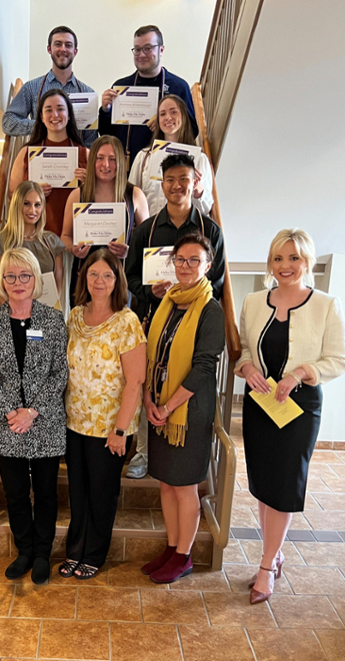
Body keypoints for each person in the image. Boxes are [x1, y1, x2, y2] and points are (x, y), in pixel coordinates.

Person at [235, 229, 345, 603]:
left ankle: (267, 567)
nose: (286, 266)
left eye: (294, 258)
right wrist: (247, 367)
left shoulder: (326, 305)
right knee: (265, 487)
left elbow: (338, 360)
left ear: (307, 261)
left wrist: (300, 373)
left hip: (299, 410)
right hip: (262, 406)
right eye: (279, 258)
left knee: (285, 486)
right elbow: (245, 350)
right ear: (270, 262)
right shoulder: (252, 302)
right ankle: (275, 553)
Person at [125, 153, 226, 479]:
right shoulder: (146, 231)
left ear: (195, 182)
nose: (177, 185)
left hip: (193, 325)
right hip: (154, 321)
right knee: (149, 384)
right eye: (170, 180)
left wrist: (189, 288)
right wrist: (151, 293)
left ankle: (181, 451)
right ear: (162, 184)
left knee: (182, 385)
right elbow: (129, 280)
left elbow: (219, 279)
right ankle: (143, 452)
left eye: (183, 179)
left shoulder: (210, 230)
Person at [0, 248, 68, 585]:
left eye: (25, 276)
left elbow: (60, 373)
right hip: (7, 425)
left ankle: (43, 553)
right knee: (15, 493)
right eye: (11, 276)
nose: (18, 282)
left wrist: (32, 412)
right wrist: (10, 412)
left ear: (35, 280)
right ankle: (24, 550)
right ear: (2, 281)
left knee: (45, 492)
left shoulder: (53, 320)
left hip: (44, 423)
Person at [141, 232, 225, 583]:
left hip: (188, 411)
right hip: (159, 405)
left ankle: (184, 555)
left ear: (207, 266)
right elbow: (149, 352)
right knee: (165, 484)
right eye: (180, 259)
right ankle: (171, 546)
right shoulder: (168, 301)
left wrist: (169, 404)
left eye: (194, 260)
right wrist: (149, 399)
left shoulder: (210, 309)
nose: (186, 266)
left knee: (185, 486)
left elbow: (205, 366)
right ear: (172, 263)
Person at [59, 249, 146, 580]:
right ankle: (75, 551)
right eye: (93, 274)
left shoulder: (126, 321)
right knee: (78, 493)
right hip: (74, 423)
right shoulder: (75, 317)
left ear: (117, 280)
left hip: (109, 427)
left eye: (107, 275)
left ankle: (93, 553)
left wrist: (120, 430)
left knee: (102, 493)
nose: (99, 281)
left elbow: (135, 381)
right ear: (84, 278)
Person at [61, 135, 149, 305]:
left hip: (121, 279)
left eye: (112, 159)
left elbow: (147, 242)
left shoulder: (134, 195)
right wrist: (73, 249)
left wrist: (129, 251)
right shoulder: (78, 195)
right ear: (93, 160)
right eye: (100, 158)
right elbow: (65, 236)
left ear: (121, 163)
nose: (105, 165)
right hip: (84, 279)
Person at [99, 25, 197, 172]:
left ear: (161, 49)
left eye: (147, 48)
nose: (142, 54)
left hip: (165, 170)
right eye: (137, 49)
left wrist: (167, 122)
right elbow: (107, 134)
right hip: (126, 169)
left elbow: (192, 131)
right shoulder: (120, 87)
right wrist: (105, 110)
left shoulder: (179, 87)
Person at [9, 88, 89, 237]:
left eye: (60, 109)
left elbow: (98, 198)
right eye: (48, 110)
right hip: (35, 238)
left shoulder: (85, 154)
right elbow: (12, 195)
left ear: (69, 115)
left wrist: (89, 184)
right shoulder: (26, 153)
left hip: (74, 239)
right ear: (41, 116)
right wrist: (32, 192)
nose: (55, 115)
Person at [2, 26, 97, 148]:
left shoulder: (87, 93)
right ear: (49, 49)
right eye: (58, 44)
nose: (63, 49)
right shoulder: (31, 88)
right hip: (40, 161)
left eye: (68, 45)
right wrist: (42, 124)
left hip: (76, 163)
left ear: (75, 51)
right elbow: (8, 122)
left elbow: (91, 141)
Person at [129, 94, 213, 217]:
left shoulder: (199, 159)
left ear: (183, 116)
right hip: (151, 231)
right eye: (162, 114)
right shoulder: (143, 157)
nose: (168, 117)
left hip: (185, 233)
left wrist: (198, 191)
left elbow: (205, 209)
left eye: (173, 112)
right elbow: (131, 198)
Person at [0, 181, 64, 301]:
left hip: (46, 313)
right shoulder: (0, 242)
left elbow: (58, 287)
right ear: (16, 205)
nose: (32, 210)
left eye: (37, 205)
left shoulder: (53, 241)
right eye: (26, 204)